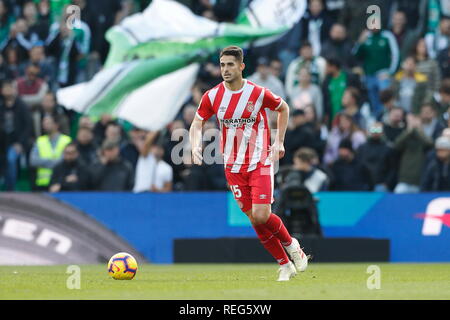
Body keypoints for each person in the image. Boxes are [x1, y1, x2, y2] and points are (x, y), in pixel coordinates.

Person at [189, 45, 308, 281]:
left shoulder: (256, 92)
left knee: (262, 214)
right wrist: (194, 145)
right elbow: (197, 122)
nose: (225, 69)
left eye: (230, 64)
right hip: (233, 166)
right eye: (222, 65)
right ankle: (284, 264)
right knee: (254, 218)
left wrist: (279, 142)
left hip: (259, 161)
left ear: (241, 66)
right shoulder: (212, 96)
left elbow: (283, 108)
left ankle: (291, 244)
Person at [0, 79, 32, 190]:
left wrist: (20, 143)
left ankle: (11, 188)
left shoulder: (22, 106)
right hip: (3, 143)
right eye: (6, 88)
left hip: (17, 142)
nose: (8, 90)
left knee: (11, 158)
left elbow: (28, 126)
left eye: (10, 88)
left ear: (15, 90)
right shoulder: (1, 106)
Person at [393, 114, 434, 193]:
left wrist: (419, 130)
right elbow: (396, 144)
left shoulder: (422, 137)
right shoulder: (406, 137)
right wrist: (409, 131)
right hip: (404, 179)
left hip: (419, 180)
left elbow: (430, 144)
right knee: (398, 198)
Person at [29, 115, 72, 190]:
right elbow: (33, 161)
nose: (45, 125)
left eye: (48, 123)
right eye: (44, 123)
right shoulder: (40, 140)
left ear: (56, 125)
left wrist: (43, 162)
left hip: (60, 182)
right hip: (42, 182)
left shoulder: (66, 140)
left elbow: (65, 161)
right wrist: (54, 162)